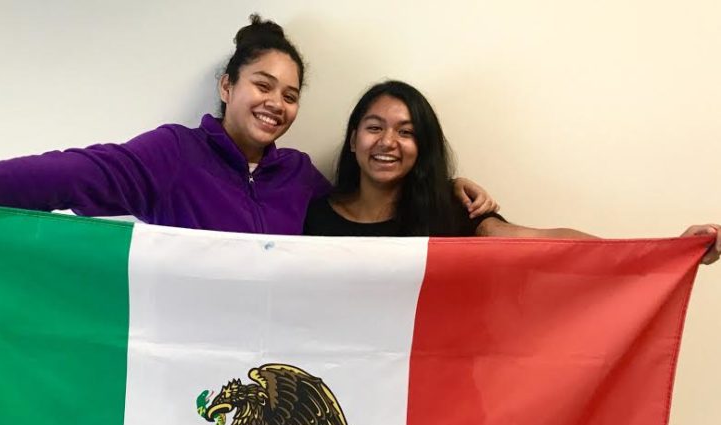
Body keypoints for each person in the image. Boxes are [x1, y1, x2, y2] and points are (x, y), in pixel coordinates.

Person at [0, 16, 496, 236]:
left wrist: (455, 185)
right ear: (227, 86)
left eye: (291, 95)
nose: (277, 104)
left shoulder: (305, 182)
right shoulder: (173, 157)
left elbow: (377, 219)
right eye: (263, 84)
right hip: (187, 383)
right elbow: (59, 175)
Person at [304, 80, 720, 264]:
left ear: (423, 148)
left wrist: (669, 251)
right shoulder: (315, 214)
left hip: (433, 394)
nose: (388, 142)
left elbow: (547, 242)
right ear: (354, 136)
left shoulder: (451, 212)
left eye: (407, 132)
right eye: (375, 127)